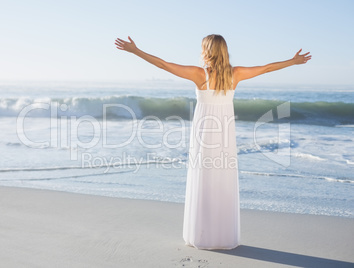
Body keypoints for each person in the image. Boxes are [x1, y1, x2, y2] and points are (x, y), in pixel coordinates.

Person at [115, 34, 311, 250]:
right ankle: (223, 236)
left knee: (204, 177)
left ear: (207, 50)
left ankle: (203, 234)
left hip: (204, 132)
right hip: (225, 133)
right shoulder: (235, 75)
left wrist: (136, 51)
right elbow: (265, 68)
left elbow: (163, 65)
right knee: (223, 179)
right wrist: (292, 62)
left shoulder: (200, 74)